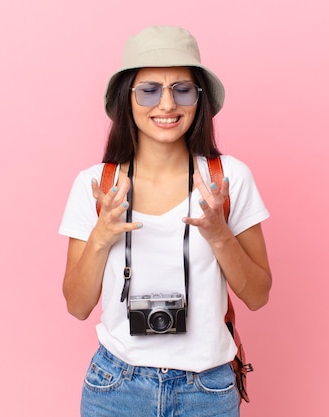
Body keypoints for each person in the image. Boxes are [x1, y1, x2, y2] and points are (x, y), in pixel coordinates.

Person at [59, 25, 272, 417]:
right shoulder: (96, 186)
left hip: (207, 388)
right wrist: (102, 236)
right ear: (127, 98)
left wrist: (219, 235)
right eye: (150, 89)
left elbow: (258, 296)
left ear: (199, 98)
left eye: (183, 89)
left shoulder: (228, 179)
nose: (167, 104)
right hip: (115, 386)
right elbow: (77, 304)